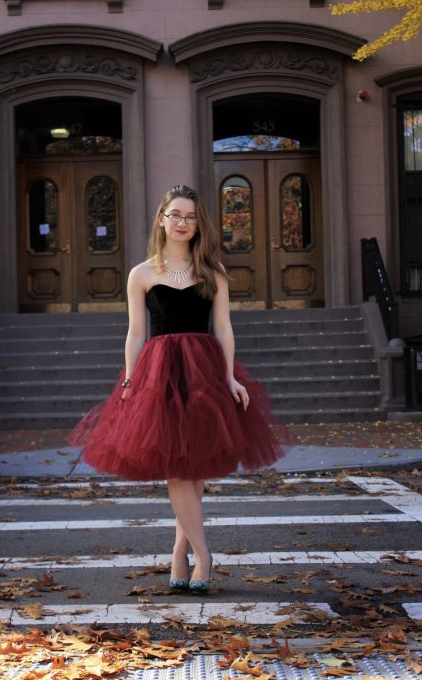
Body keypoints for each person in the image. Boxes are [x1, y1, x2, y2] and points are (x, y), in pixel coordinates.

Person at [68, 185, 290, 593]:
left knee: (195, 464)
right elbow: (135, 333)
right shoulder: (142, 273)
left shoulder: (213, 271)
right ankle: (202, 554)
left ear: (197, 223)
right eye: (175, 215)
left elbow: (223, 328)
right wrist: (131, 379)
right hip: (159, 372)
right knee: (176, 466)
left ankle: (179, 548)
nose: (182, 223)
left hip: (203, 371)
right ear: (162, 219)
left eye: (189, 216)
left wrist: (229, 376)